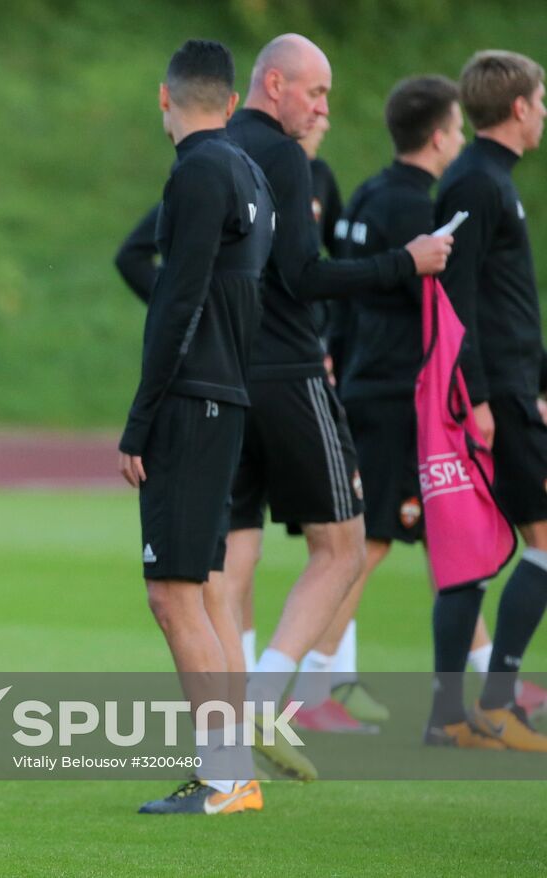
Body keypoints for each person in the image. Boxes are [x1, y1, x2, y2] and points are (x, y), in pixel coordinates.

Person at [223, 33, 453, 778]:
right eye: (317, 94)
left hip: (222, 375)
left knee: (234, 556)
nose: (323, 109)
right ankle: (261, 702)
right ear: (277, 83)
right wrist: (404, 264)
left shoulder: (214, 148)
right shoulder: (287, 158)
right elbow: (303, 275)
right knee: (344, 546)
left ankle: (225, 736)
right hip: (289, 369)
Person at [119, 39, 273, 816]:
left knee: (173, 595)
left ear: (164, 97)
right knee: (202, 590)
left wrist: (139, 421)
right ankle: (230, 769)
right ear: (234, 99)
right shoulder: (250, 171)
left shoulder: (197, 174)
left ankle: (226, 775)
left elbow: (176, 303)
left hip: (191, 402)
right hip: (229, 396)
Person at [290, 77, 470, 734]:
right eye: (455, 129)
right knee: (369, 543)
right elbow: (443, 308)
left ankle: (485, 673)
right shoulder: (420, 211)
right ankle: (312, 694)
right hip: (399, 392)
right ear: (439, 134)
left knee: (431, 532)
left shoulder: (366, 191)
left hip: (360, 378)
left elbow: (338, 286)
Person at [430, 50, 547, 751]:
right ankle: (495, 701)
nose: (544, 115)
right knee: (533, 544)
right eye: (541, 101)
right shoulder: (475, 182)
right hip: (492, 396)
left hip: (509, 389)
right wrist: (476, 396)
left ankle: (450, 713)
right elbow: (455, 296)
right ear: (519, 107)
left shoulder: (492, 180)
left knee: (478, 554)